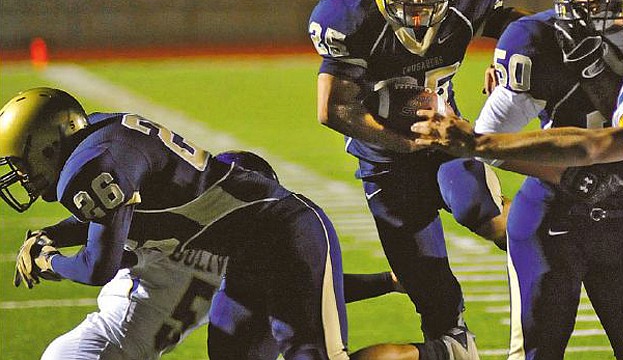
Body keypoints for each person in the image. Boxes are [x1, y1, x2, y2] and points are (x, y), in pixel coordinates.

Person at [0, 87, 478, 360]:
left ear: (47, 144)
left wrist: (47, 258)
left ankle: (445, 354)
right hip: (246, 260)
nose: (22, 177)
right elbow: (122, 213)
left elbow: (98, 265)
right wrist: (55, 234)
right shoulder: (102, 140)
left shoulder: (95, 165)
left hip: (289, 235)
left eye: (23, 164)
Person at [410, 0, 623, 358]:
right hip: (554, 220)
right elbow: (488, 141)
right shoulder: (537, 41)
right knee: (538, 351)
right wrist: (566, 175)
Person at [309, 0, 528, 344]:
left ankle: (566, 263)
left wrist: (510, 54)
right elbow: (334, 110)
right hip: (384, 162)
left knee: (487, 214)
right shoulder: (350, 19)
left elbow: (524, 30)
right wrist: (404, 144)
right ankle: (457, 348)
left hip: (445, 142)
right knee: (433, 299)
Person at [26, 151, 406, 360]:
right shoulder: (225, 245)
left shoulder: (226, 246)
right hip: (96, 349)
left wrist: (47, 248)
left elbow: (305, 288)